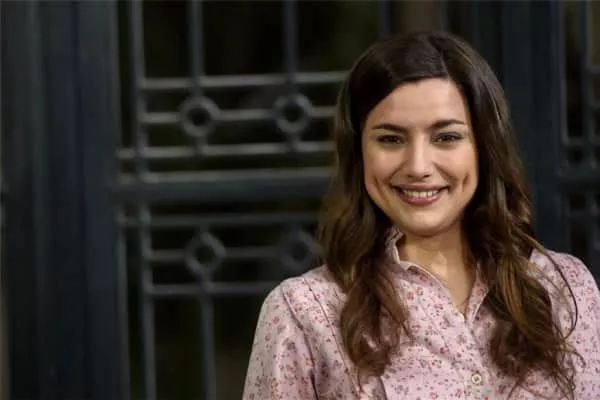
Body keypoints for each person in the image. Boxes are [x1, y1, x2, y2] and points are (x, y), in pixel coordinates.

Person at [242, 31, 600, 399]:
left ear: (484, 147)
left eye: (446, 137)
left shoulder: (564, 289)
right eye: (391, 139)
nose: (418, 166)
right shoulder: (305, 313)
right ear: (359, 153)